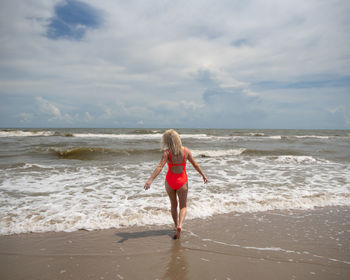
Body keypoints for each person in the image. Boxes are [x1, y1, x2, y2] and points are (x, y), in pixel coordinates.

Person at [144, 129, 208, 239]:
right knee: (183, 206)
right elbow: (195, 164)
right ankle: (180, 225)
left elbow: (160, 166)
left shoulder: (167, 153)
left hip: (170, 181)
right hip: (182, 181)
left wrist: (150, 180)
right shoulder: (186, 151)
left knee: (173, 205)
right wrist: (203, 175)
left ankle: (175, 225)